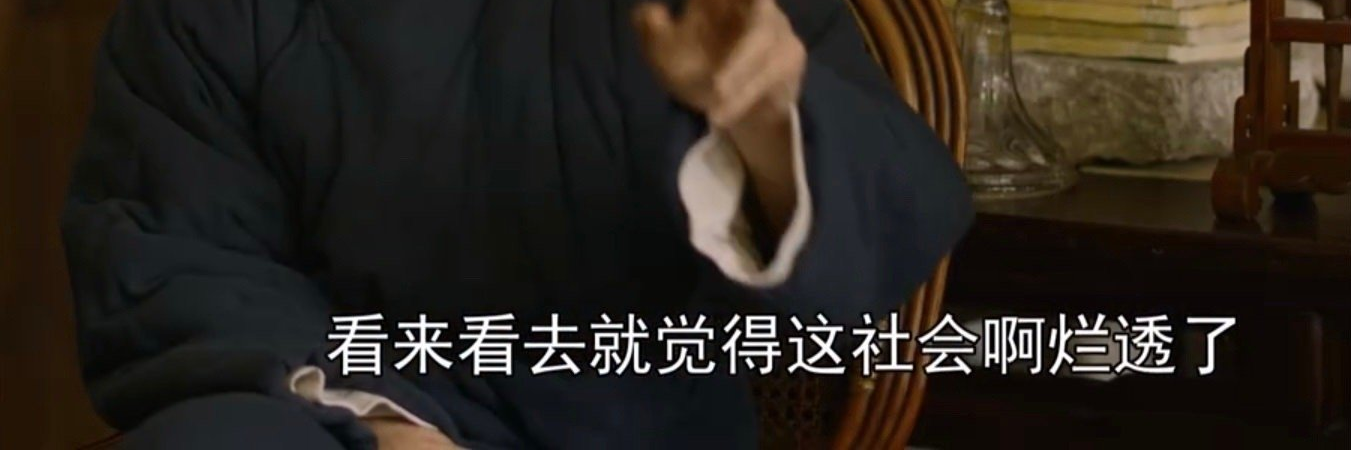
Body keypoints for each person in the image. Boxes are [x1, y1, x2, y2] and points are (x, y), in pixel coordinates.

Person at [61, 0, 973, 448]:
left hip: (638, 420)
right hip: (338, 408)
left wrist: (770, 118)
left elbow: (888, 228)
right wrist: (377, 423)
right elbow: (182, 253)